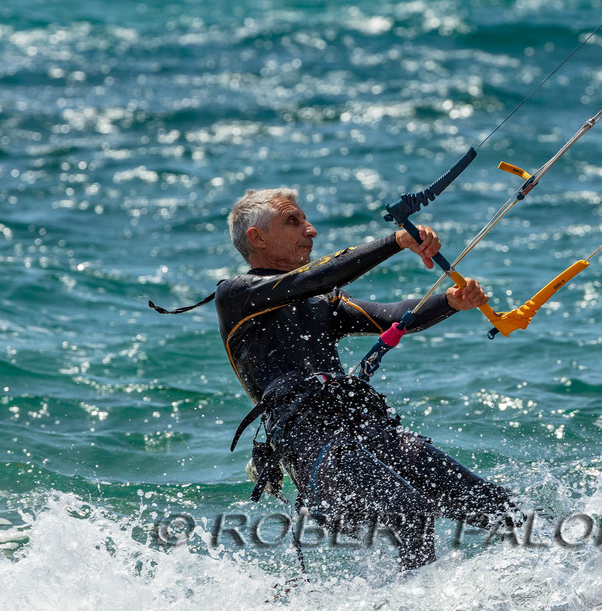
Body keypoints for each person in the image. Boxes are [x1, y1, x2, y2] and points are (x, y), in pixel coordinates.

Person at [215, 186, 516, 569]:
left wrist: (452, 301)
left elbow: (391, 316)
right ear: (256, 237)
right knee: (410, 510)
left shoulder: (321, 301)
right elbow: (315, 278)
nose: (311, 230)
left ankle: (574, 577)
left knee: (497, 506)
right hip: (314, 451)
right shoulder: (237, 295)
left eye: (306, 220)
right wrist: (396, 241)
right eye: (294, 221)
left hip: (365, 434)